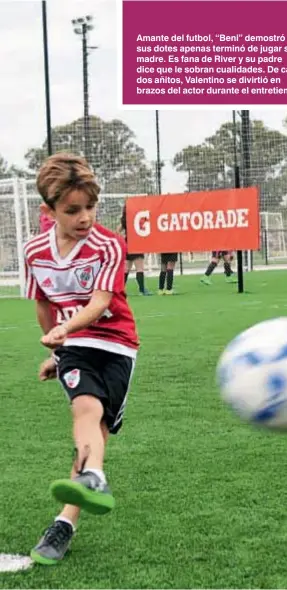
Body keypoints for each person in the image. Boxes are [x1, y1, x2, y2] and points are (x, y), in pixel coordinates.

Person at [24, 153, 139, 565]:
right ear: (48, 210)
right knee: (85, 410)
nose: (85, 217)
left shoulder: (109, 244)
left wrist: (64, 329)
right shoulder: (35, 252)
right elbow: (42, 302)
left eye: (91, 207)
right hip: (73, 347)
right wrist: (57, 350)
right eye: (73, 210)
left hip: (115, 345)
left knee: (100, 428)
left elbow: (101, 301)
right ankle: (68, 518)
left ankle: (90, 482)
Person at [117, 203, 151, 296]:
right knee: (139, 268)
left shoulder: (124, 219)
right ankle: (142, 289)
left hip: (127, 243)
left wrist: (123, 237)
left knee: (126, 268)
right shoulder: (136, 218)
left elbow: (117, 230)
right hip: (136, 243)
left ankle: (120, 289)